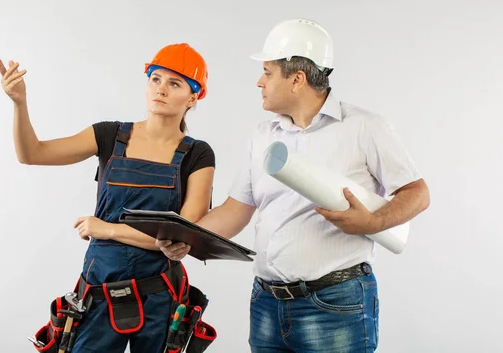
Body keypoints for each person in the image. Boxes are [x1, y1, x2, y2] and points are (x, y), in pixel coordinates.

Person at [157, 19, 431, 352]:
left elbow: (417, 192)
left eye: (268, 73)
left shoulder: (363, 128)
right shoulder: (262, 136)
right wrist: (187, 237)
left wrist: (375, 222)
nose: (259, 82)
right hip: (266, 305)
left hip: (335, 304)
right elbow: (234, 211)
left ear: (297, 79)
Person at [0, 42, 216, 353]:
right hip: (99, 289)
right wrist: (20, 103)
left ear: (193, 97)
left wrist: (105, 228)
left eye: (174, 83)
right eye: (155, 78)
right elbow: (31, 153)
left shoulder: (198, 154)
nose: (161, 89)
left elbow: (185, 233)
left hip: (160, 295)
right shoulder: (109, 136)